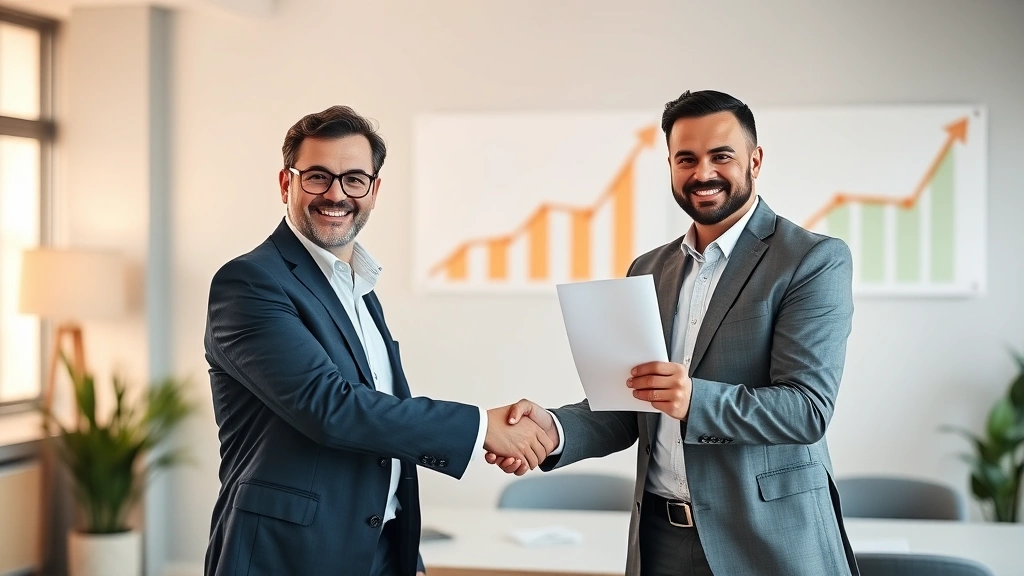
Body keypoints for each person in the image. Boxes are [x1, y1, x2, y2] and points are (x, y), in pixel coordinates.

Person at [488, 90, 857, 575]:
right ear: (670, 165)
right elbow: (628, 406)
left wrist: (693, 400)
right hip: (661, 541)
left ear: (755, 160)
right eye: (686, 159)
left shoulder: (811, 260)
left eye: (721, 156)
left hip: (767, 540)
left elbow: (806, 411)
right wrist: (551, 431)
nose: (702, 173)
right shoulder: (650, 268)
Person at [204, 105, 554, 576]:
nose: (336, 194)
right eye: (317, 177)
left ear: (374, 190)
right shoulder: (249, 283)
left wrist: (406, 557)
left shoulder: (359, 288)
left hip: (380, 546)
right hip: (287, 555)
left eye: (354, 179)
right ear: (286, 184)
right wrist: (480, 428)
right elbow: (331, 408)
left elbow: (380, 417)